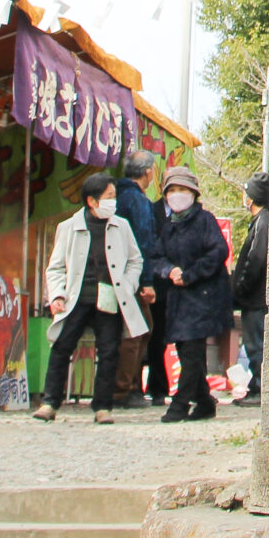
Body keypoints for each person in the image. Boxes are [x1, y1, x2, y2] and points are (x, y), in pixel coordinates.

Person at [35, 171, 147, 422]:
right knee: (62, 347)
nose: (113, 202)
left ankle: (102, 407)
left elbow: (135, 260)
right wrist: (57, 295)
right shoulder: (68, 228)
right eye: (108, 197)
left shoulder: (122, 226)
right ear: (92, 201)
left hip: (109, 298)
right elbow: (55, 267)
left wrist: (128, 285)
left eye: (114, 196)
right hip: (76, 298)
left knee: (108, 351)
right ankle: (50, 402)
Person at [149, 167, 231, 422]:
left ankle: (180, 404)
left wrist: (190, 274)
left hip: (204, 296)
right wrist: (169, 271)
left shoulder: (204, 220)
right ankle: (205, 401)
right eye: (172, 190)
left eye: (182, 190)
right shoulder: (170, 225)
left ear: (193, 193)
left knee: (193, 350)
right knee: (185, 349)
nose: (177, 195)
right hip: (178, 299)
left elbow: (218, 252)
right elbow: (156, 256)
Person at [110, 150, 167, 403]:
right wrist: (147, 282)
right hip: (132, 276)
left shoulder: (116, 196)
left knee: (132, 330)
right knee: (138, 331)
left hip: (113, 273)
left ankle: (127, 385)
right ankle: (126, 388)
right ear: (148, 172)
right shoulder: (138, 201)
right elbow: (144, 242)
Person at [230, 173, 269, 406]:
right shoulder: (260, 221)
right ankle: (256, 385)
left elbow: (256, 258)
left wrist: (242, 286)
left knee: (257, 345)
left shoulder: (263, 221)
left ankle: (260, 387)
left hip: (256, 297)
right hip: (254, 297)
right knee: (254, 343)